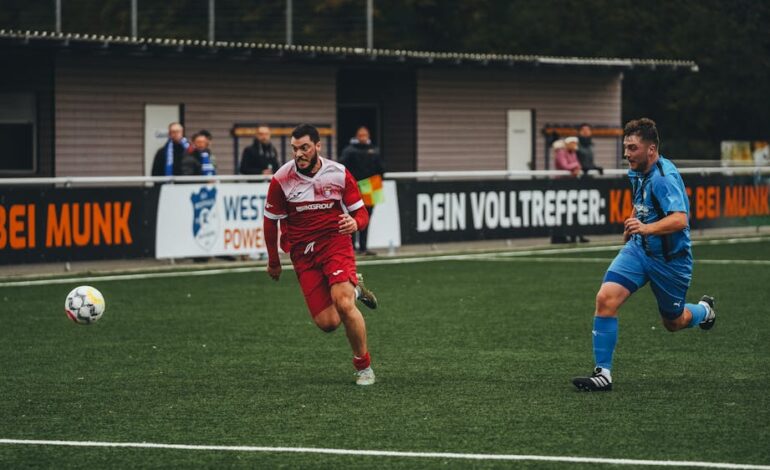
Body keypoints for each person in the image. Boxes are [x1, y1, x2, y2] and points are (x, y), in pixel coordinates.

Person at [572, 118, 716, 392]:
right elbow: (643, 204)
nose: (627, 154)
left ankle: (705, 311)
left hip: (671, 261)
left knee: (673, 323)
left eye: (632, 148)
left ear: (651, 149)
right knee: (605, 299)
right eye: (625, 147)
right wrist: (633, 222)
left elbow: (680, 220)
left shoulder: (664, 178)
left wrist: (646, 227)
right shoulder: (637, 170)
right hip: (639, 250)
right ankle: (603, 374)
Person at [262, 123, 380, 386]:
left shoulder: (338, 173)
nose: (299, 154)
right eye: (294, 149)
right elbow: (270, 222)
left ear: (317, 146)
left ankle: (364, 367)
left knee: (343, 304)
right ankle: (356, 289)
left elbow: (361, 212)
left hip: (334, 243)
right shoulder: (282, 179)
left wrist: (355, 223)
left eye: (304, 147)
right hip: (303, 254)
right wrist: (273, 262)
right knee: (327, 323)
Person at [339, 126, 385, 256]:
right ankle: (352, 247)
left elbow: (381, 169)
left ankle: (363, 247)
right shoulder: (349, 151)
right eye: (361, 135)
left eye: (365, 135)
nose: (363, 138)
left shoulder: (374, 151)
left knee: (367, 217)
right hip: (354, 187)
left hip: (371, 187)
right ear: (357, 136)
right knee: (353, 216)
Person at [552, 137, 587, 243]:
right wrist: (575, 167)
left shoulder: (572, 153)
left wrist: (576, 168)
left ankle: (574, 235)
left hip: (570, 184)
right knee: (560, 210)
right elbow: (564, 165)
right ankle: (559, 236)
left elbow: (576, 165)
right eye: (573, 143)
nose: (575, 145)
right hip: (561, 184)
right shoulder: (561, 152)